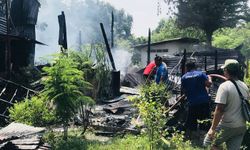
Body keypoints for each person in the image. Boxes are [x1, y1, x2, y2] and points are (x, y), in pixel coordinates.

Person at [205, 59, 249, 150]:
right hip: (241, 126)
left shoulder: (224, 86)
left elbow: (220, 109)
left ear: (226, 71)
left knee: (207, 144)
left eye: (224, 70)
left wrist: (213, 129)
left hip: (227, 125)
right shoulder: (244, 86)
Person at [181, 61, 212, 137]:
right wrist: (210, 78)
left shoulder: (184, 77)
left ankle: (192, 139)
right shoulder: (201, 74)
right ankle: (204, 139)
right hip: (203, 101)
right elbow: (208, 84)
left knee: (191, 122)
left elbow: (184, 91)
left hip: (192, 103)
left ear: (186, 68)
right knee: (205, 121)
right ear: (194, 67)